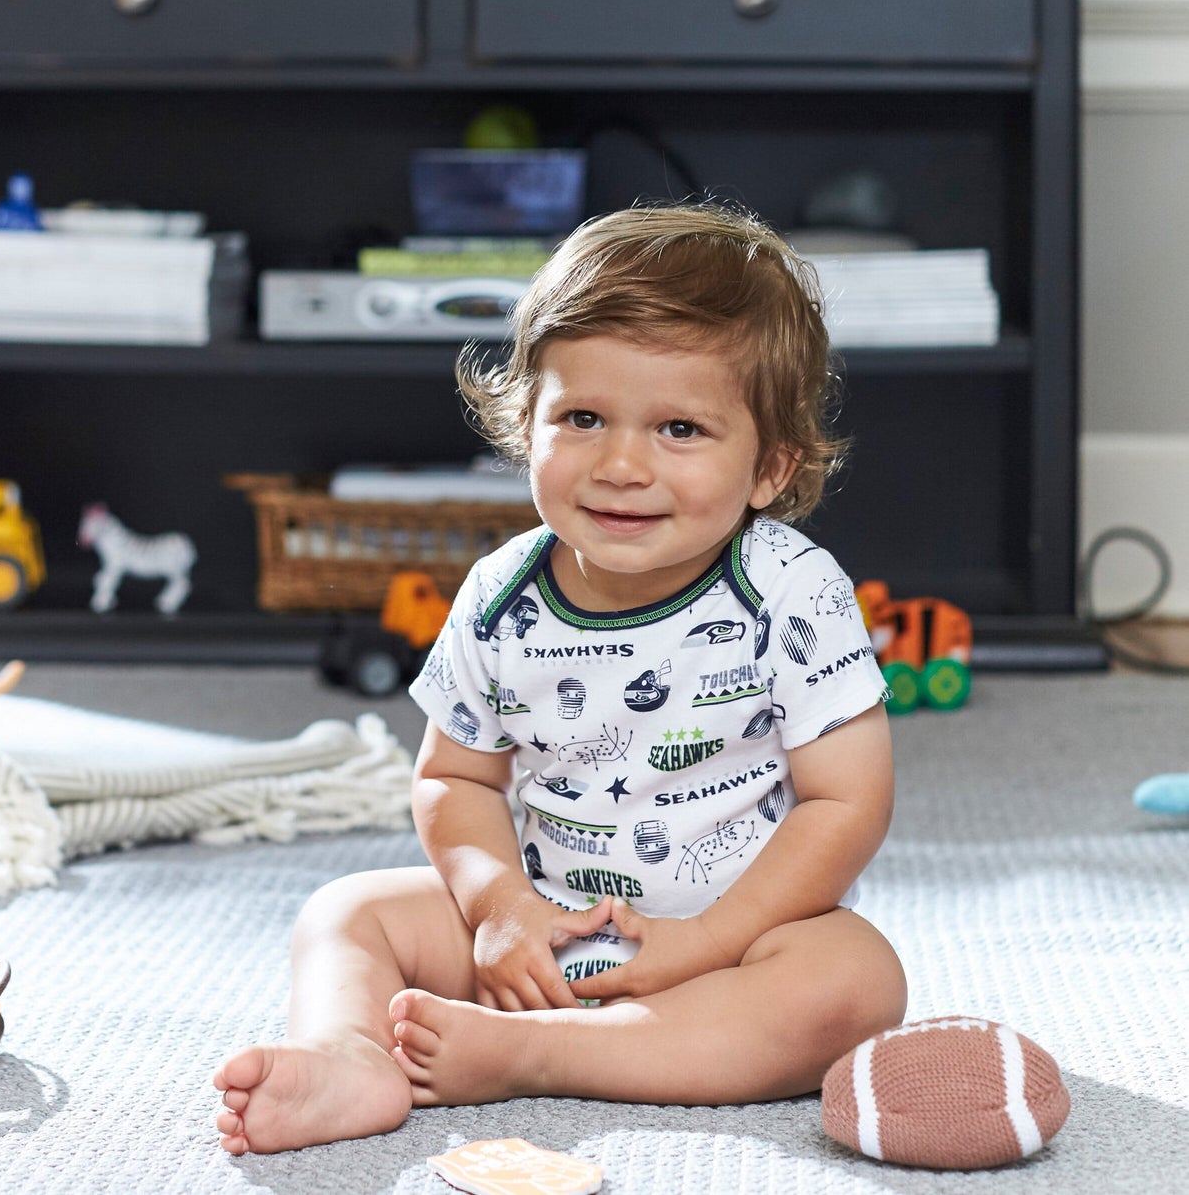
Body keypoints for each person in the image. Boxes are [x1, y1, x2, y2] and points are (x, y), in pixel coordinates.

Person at [213, 203, 906, 1155]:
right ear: (524, 420)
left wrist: (704, 942)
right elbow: (454, 779)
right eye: (581, 418)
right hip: (546, 932)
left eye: (680, 429)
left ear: (768, 467)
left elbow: (848, 802)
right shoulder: (501, 594)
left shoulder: (787, 589)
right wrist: (503, 914)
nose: (621, 465)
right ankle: (352, 1056)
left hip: (733, 944)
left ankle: (544, 1056)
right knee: (346, 913)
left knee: (856, 982)